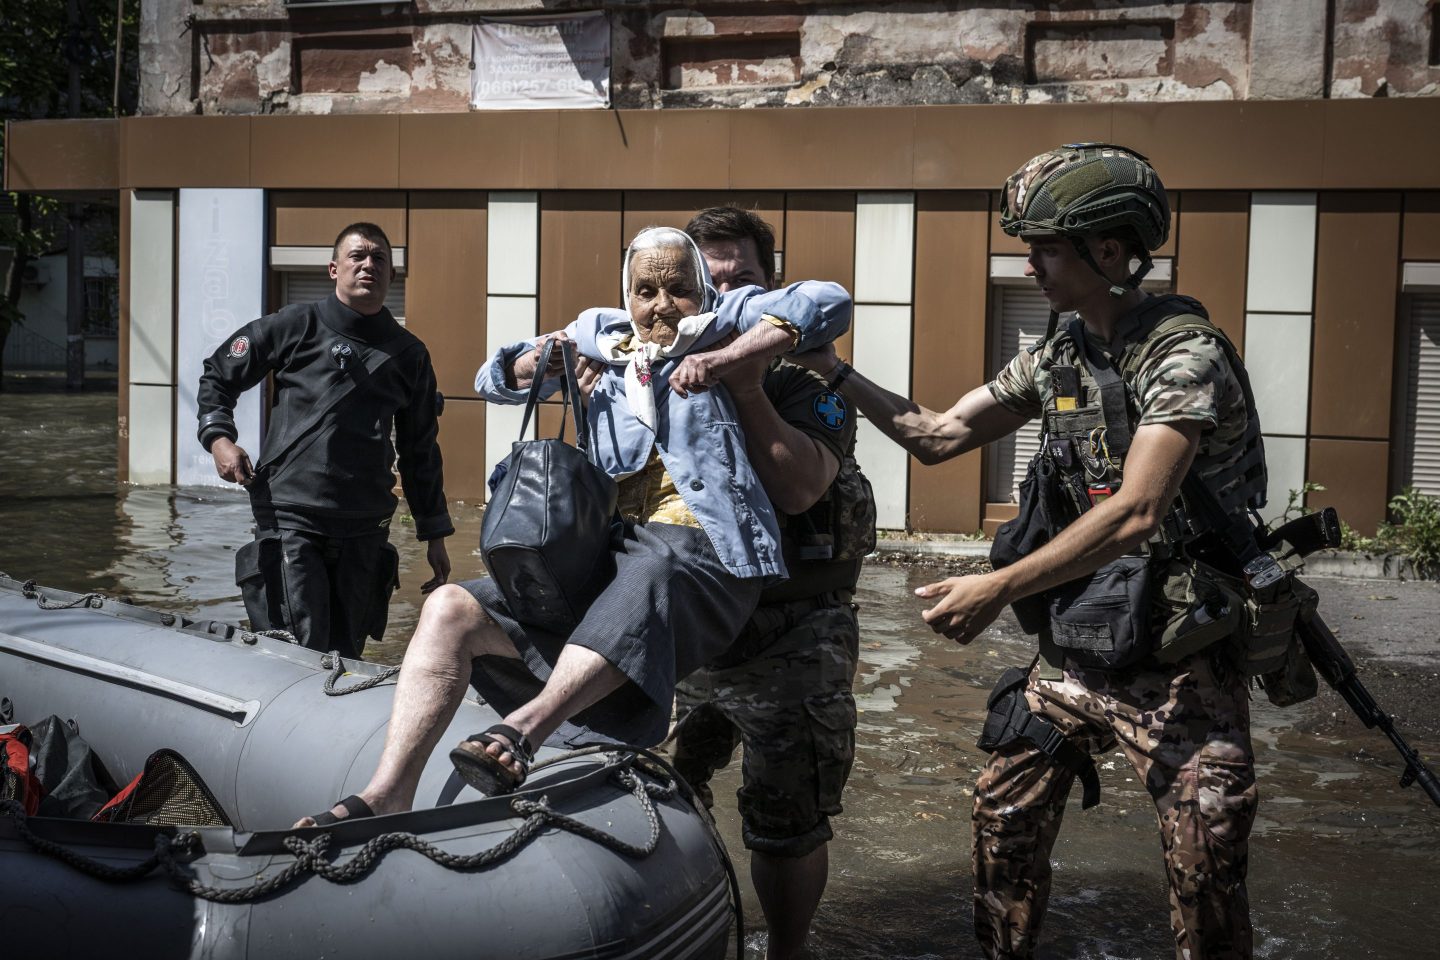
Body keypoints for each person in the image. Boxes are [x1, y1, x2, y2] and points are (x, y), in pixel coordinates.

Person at [791, 144, 1265, 959]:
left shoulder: (1184, 355)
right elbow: (936, 436)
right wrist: (831, 371)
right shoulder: (1060, 353)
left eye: (1045, 246)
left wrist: (997, 586)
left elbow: (1137, 514)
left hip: (1186, 659)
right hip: (1087, 643)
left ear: (1108, 251)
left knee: (1205, 868)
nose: (1030, 262)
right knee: (1003, 809)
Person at [295, 226, 851, 826]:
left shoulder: (732, 319)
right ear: (626, 294)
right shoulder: (605, 335)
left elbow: (828, 302)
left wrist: (722, 360)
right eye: (646, 290)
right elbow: (494, 378)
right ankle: (388, 791)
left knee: (654, 567)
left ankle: (523, 731)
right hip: (612, 557)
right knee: (450, 607)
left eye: (678, 289)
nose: (662, 305)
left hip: (705, 556)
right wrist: (548, 360)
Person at [647, 207, 876, 960]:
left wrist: (744, 387)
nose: (720, 289)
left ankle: (786, 949)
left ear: (768, 284)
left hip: (794, 629)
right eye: (703, 278)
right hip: (696, 624)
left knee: (787, 818)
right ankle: (697, 923)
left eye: (740, 275)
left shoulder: (807, 373)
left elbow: (802, 490)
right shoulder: (652, 371)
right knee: (657, 790)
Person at [197, 222, 452, 659]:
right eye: (358, 256)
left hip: (365, 523)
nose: (368, 265)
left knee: (348, 654)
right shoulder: (295, 325)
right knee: (297, 649)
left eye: (379, 259)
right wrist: (220, 439)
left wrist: (434, 533)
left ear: (392, 275)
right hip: (291, 516)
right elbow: (218, 376)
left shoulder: (410, 354)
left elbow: (420, 451)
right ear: (334, 269)